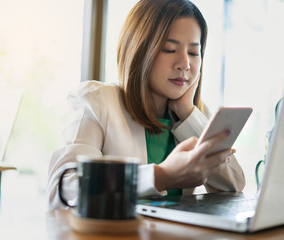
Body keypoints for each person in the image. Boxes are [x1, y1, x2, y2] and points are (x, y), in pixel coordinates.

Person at [46, 0, 245, 210]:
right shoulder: (97, 102)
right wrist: (161, 177)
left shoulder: (195, 114)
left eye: (194, 53)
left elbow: (233, 187)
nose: (185, 64)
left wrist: (187, 113)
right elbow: (63, 192)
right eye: (169, 49)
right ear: (139, 51)